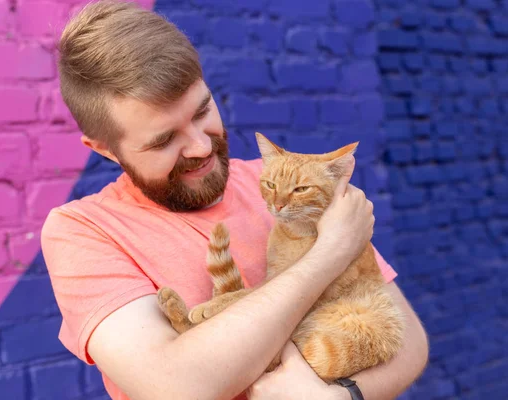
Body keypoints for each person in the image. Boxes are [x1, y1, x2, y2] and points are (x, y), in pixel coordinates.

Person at [40, 1, 429, 399]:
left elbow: (410, 340)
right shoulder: (82, 231)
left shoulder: (275, 179)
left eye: (203, 110)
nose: (200, 146)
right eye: (163, 140)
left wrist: (341, 397)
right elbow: (176, 388)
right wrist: (329, 252)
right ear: (104, 149)